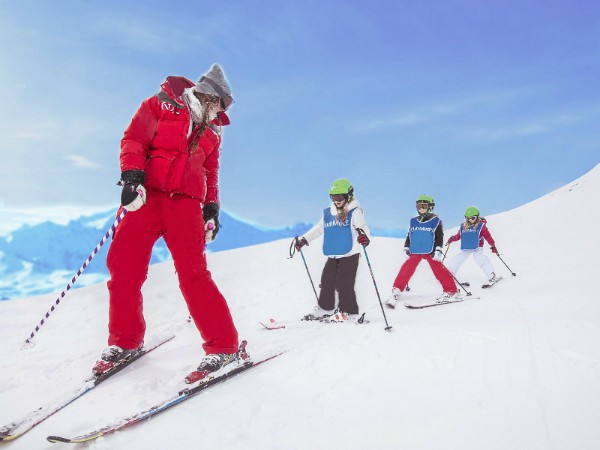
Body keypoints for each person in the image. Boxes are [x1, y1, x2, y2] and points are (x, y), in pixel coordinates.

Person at [93, 64, 243, 381]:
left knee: (194, 275)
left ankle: (224, 347)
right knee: (123, 267)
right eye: (219, 104)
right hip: (150, 197)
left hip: (186, 205)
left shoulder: (213, 130)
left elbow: (210, 172)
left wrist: (211, 207)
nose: (219, 112)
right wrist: (132, 176)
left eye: (222, 108)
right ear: (207, 94)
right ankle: (124, 341)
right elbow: (134, 138)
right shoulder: (159, 104)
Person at [294, 178, 371, 322]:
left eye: (340, 197)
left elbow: (363, 227)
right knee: (326, 281)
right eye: (333, 197)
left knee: (344, 284)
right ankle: (325, 308)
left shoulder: (355, 212)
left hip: (350, 254)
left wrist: (365, 237)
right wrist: (305, 240)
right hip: (333, 254)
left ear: (349, 195)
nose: (336, 200)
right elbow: (317, 229)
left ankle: (349, 312)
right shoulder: (328, 213)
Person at [385, 195, 459, 308]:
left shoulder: (436, 221)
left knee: (438, 269)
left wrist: (438, 249)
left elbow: (439, 236)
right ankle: (397, 290)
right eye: (419, 206)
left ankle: (451, 290)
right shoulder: (414, 221)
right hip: (416, 250)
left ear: (430, 207)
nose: (421, 209)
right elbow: (410, 235)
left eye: (424, 206)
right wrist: (406, 247)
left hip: (430, 250)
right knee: (407, 268)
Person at [445, 206, 500, 287]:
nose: (470, 220)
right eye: (468, 218)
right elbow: (459, 236)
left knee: (480, 259)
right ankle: (450, 274)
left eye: (472, 218)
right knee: (458, 259)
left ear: (477, 217)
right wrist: (452, 239)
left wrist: (493, 245)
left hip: (477, 247)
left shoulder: (481, 226)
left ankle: (491, 275)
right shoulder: (463, 226)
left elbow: (488, 236)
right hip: (466, 247)